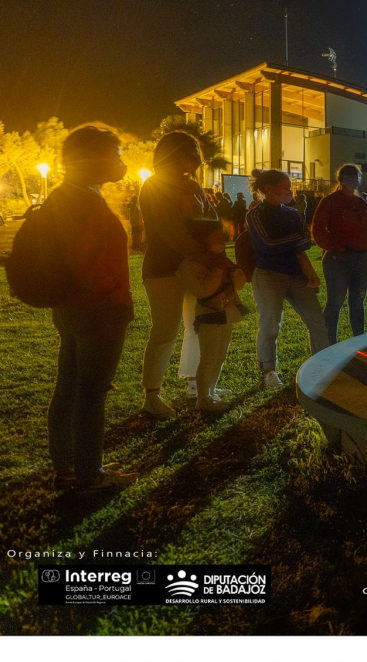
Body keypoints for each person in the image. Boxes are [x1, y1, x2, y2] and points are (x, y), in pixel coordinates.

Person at [42, 124, 138, 492]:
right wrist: (111, 293)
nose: (120, 163)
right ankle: (89, 474)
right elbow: (83, 260)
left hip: (71, 309)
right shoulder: (80, 202)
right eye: (116, 155)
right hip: (98, 312)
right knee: (90, 392)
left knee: (69, 386)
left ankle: (68, 466)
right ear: (94, 158)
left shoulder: (67, 195)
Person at [138, 131, 216, 418]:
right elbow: (170, 230)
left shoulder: (192, 185)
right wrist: (203, 251)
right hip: (165, 268)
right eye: (192, 151)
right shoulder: (154, 184)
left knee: (200, 326)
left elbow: (211, 219)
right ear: (175, 153)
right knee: (165, 331)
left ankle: (199, 385)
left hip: (196, 265)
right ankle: (152, 395)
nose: (198, 157)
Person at [247, 168, 329, 388]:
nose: (289, 192)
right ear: (269, 189)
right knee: (270, 325)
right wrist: (294, 239)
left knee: (317, 321)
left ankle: (321, 364)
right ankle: (268, 370)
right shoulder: (255, 214)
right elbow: (268, 244)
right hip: (269, 274)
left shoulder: (291, 213)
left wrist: (290, 240)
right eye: (285, 188)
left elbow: (306, 241)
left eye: (289, 187)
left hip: (296, 274)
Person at [179, 219, 248, 411]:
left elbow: (240, 284)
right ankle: (203, 399)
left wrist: (232, 270)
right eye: (215, 237)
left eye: (221, 235)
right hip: (209, 315)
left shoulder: (222, 260)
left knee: (220, 356)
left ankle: (211, 389)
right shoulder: (192, 264)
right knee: (208, 358)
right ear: (202, 240)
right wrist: (218, 268)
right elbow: (204, 290)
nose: (221, 240)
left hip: (227, 312)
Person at [311, 164, 367, 344]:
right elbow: (317, 229)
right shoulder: (330, 201)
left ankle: (358, 341)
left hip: (362, 258)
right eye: (348, 177)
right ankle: (329, 343)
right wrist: (334, 246)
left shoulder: (361, 202)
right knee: (335, 303)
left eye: (356, 177)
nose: (353, 180)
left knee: (358, 301)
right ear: (340, 179)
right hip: (338, 259)